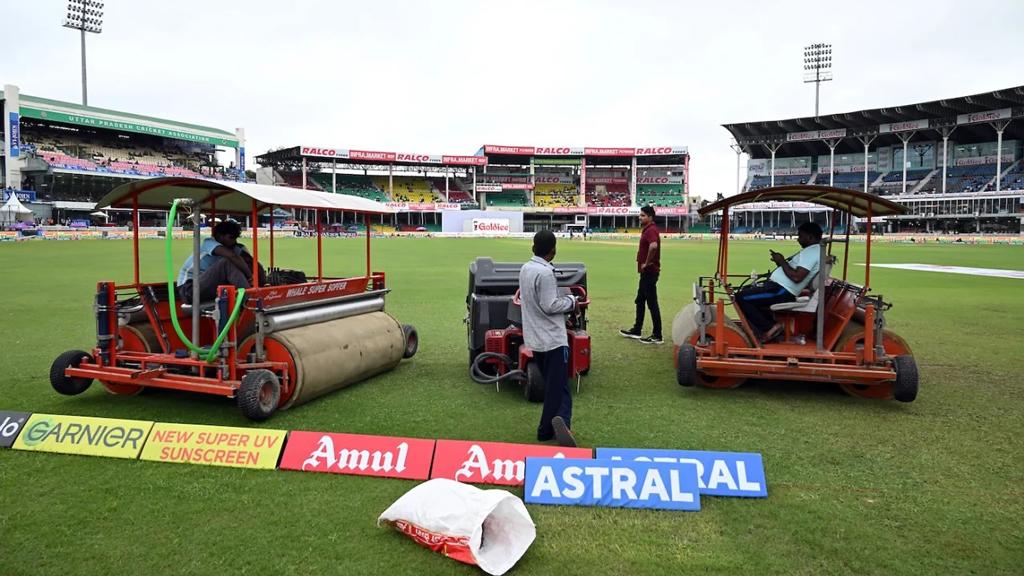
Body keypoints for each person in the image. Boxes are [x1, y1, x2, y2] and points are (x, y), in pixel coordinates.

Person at [519, 229, 579, 448]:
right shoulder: (545, 273)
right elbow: (549, 305)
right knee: (557, 388)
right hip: (552, 339)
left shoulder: (526, 268)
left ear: (533, 247)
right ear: (553, 251)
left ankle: (563, 423)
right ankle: (546, 430)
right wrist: (572, 302)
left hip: (534, 338)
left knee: (559, 386)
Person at [735, 221, 823, 342]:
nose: (798, 239)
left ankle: (770, 327)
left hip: (782, 290)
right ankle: (769, 326)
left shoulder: (812, 252)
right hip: (779, 288)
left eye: (800, 236)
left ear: (810, 237)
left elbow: (797, 277)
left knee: (741, 298)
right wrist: (779, 262)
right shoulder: (812, 251)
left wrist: (781, 261)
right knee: (746, 293)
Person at [176, 220, 264, 304]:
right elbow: (232, 256)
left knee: (251, 264)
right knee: (227, 263)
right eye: (231, 238)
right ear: (219, 236)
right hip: (188, 289)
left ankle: (262, 295)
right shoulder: (209, 243)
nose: (234, 241)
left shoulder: (233, 247)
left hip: (206, 286)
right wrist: (250, 277)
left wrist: (257, 272)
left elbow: (251, 262)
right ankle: (251, 301)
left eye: (236, 238)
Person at [619, 205, 662, 344]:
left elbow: (653, 246)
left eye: (643, 215)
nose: (640, 217)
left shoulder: (651, 230)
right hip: (646, 273)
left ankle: (657, 335)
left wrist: (647, 263)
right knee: (640, 300)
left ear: (650, 217)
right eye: (640, 215)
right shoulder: (648, 229)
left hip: (649, 272)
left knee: (652, 303)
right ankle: (637, 329)